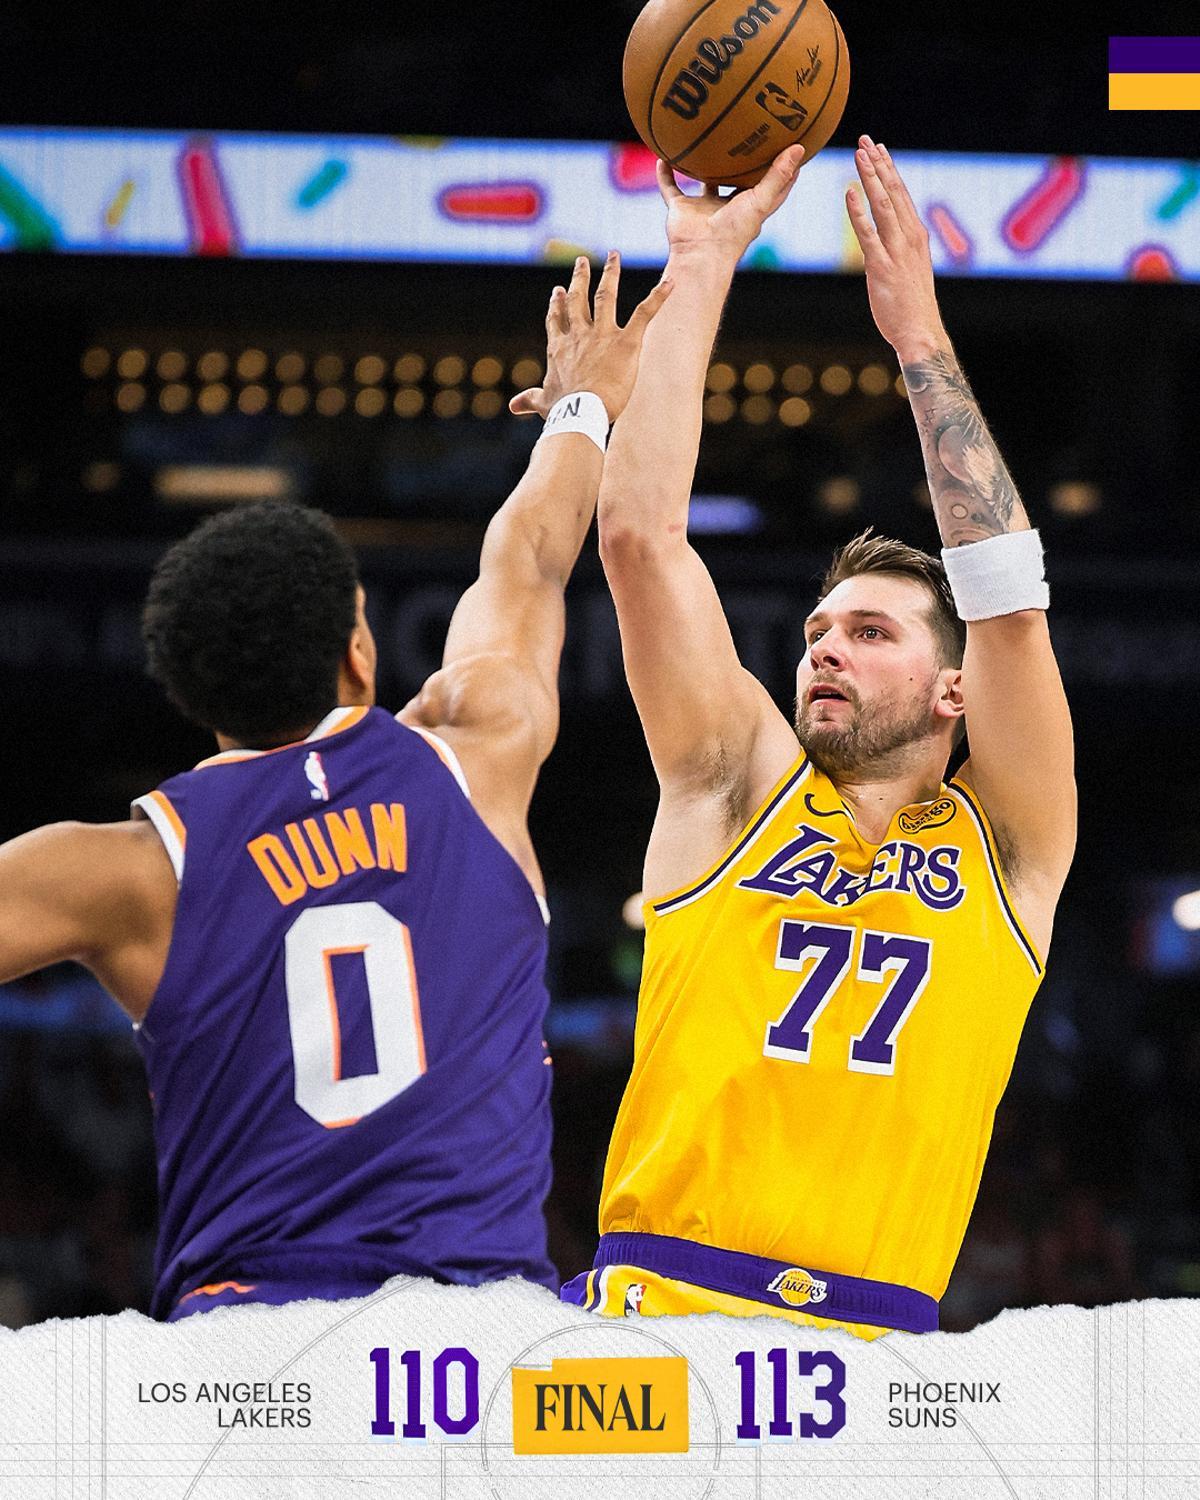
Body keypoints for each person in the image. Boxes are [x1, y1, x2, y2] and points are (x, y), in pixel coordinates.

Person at [0, 254, 670, 1321]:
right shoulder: (475, 755)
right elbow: (530, 558)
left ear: (188, 692)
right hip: (472, 1347)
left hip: (253, 1352)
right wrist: (581, 406)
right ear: (361, 650)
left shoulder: (129, 870)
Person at [561, 137, 1076, 1338]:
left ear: (954, 693)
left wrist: (921, 343)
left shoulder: (1009, 851)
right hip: (661, 1323)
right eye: (817, 631)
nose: (826, 649)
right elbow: (638, 539)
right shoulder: (736, 783)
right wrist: (703, 260)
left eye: (872, 633)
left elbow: (1009, 606)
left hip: (873, 1355)